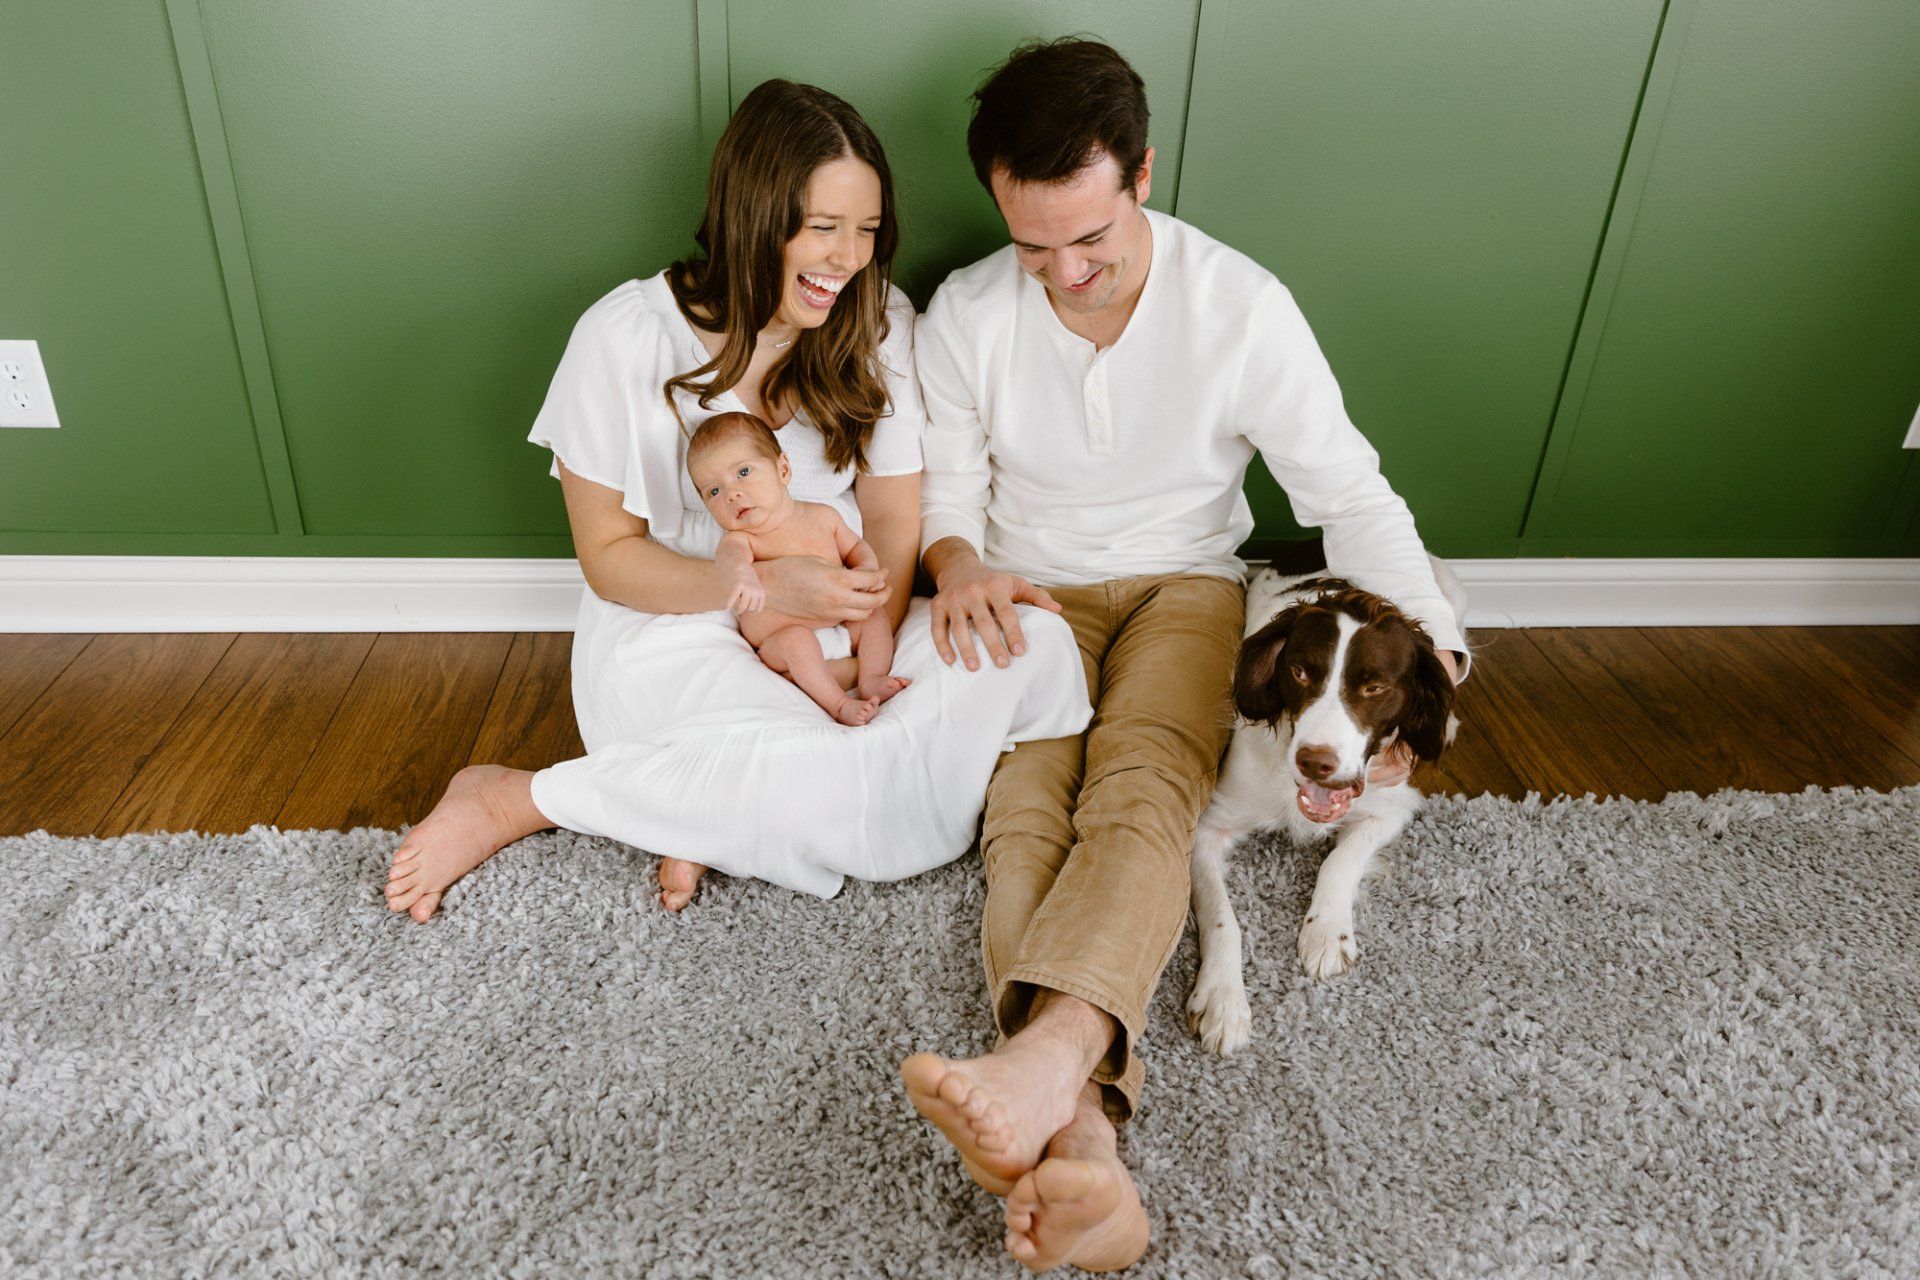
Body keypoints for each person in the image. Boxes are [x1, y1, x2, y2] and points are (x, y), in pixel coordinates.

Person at [896, 40, 1469, 1273]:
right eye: (1034, 245)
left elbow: (1345, 491)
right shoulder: (968, 312)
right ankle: (1088, 1125)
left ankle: (1050, 1058)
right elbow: (946, 485)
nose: (1066, 272)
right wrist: (960, 564)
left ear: (1143, 172)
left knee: (1149, 779)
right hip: (1023, 580)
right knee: (1024, 805)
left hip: (1184, 580)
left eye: (1090, 238)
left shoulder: (1242, 306)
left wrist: (1443, 645)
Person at [384, 79, 1087, 919]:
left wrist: (864, 648)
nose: (846, 259)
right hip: (676, 625)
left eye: (865, 231)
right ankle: (516, 797)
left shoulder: (878, 323)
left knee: (1035, 647)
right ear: (754, 216)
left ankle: (706, 808)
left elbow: (895, 520)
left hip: (844, 616)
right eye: (822, 229)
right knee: (853, 781)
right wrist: (758, 603)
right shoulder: (624, 338)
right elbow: (611, 560)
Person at [688, 410, 910, 725]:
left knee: (873, 617)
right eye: (713, 491)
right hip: (782, 644)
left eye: (744, 472)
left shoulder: (823, 517)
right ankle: (837, 705)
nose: (731, 494)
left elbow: (855, 547)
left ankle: (872, 676)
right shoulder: (740, 541)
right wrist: (743, 576)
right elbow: (730, 563)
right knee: (798, 641)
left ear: (783, 469)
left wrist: (866, 569)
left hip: (840, 623)